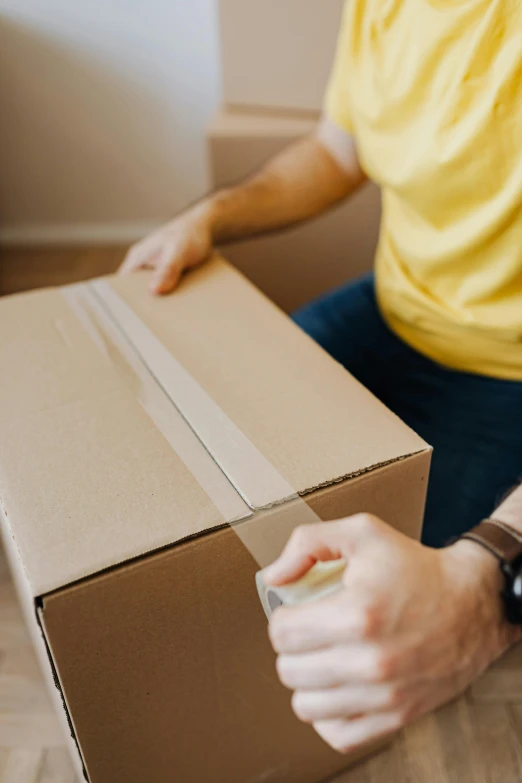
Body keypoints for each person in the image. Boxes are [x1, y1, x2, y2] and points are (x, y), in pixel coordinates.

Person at [120, 0, 522, 755]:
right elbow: (339, 152)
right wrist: (211, 215)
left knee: (372, 608)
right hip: (392, 310)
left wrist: (489, 584)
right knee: (209, 440)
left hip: (507, 376)